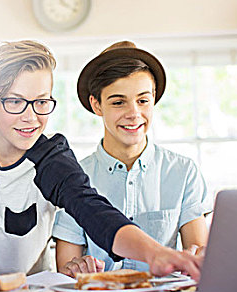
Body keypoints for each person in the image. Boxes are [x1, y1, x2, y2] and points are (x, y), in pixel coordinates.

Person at [0, 40, 203, 280]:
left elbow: (92, 209)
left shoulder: (51, 156)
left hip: (32, 289)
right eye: (15, 101)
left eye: (41, 102)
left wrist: (154, 253)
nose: (30, 118)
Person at [53, 41, 211, 277]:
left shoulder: (183, 171)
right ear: (96, 105)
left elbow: (198, 255)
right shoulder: (75, 179)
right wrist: (77, 267)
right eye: (118, 102)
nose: (134, 114)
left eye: (143, 100)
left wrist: (198, 257)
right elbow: (65, 269)